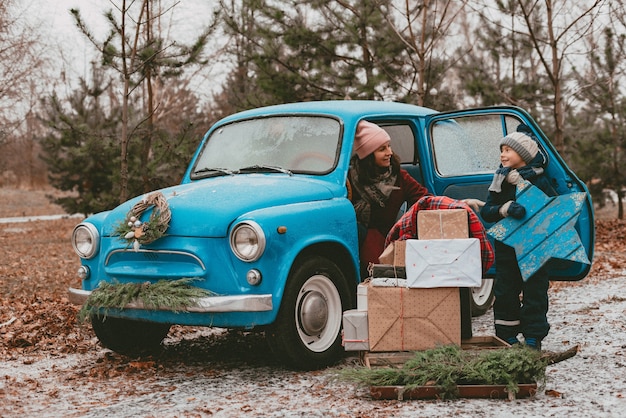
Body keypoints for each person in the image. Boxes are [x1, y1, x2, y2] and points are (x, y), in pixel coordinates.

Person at [480, 126, 556, 350]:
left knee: (535, 290)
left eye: (507, 150)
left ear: (523, 155)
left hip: (535, 247)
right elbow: (487, 211)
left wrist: (531, 208)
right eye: (501, 150)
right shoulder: (500, 181)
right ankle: (507, 335)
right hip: (507, 247)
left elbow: (553, 210)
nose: (502, 155)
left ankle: (533, 336)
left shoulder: (540, 181)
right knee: (505, 290)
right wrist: (504, 209)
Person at [348, 120, 431, 275]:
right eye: (382, 149)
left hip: (389, 241)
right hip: (355, 239)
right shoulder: (350, 179)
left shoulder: (399, 176)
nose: (389, 152)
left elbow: (425, 200)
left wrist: (457, 204)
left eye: (389, 146)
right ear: (368, 155)